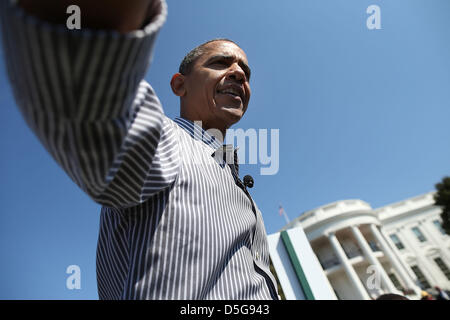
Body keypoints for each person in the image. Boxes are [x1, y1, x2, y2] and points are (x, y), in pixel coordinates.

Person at [0, 0, 279, 299]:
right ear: (179, 85)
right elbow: (91, 97)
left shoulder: (235, 181)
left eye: (245, 72)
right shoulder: (161, 141)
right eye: (220, 63)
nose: (239, 74)